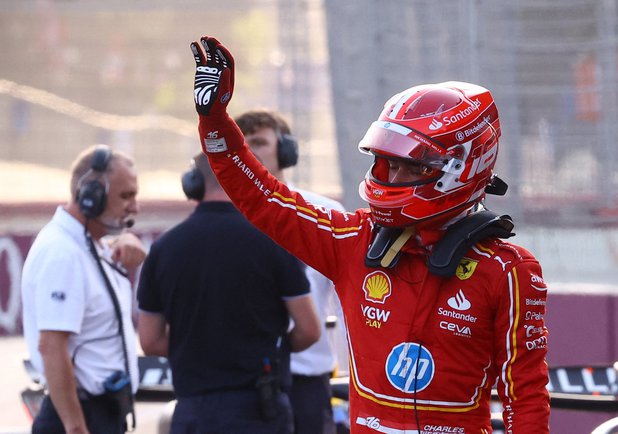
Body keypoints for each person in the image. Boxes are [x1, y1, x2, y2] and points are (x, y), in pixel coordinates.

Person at [189, 36, 550, 433]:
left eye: (410, 167)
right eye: (385, 164)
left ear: (463, 166)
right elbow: (264, 199)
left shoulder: (510, 272)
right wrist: (215, 122)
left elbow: (526, 395)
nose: (393, 179)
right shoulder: (351, 241)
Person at [136, 152, 321, 434]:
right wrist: (269, 348)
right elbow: (309, 330)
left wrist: (197, 345)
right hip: (259, 409)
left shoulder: (164, 249)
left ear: (193, 184)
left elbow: (150, 341)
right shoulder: (273, 239)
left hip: (192, 410)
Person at [235, 109, 347, 434]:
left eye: (258, 142)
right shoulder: (223, 217)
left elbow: (345, 300)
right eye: (241, 144)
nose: (249, 151)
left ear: (287, 150)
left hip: (307, 379)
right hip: (242, 379)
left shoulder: (325, 213)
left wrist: (354, 375)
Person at [21, 144, 145, 434]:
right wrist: (76, 427)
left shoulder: (88, 246)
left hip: (102, 413)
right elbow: (52, 347)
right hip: (81, 417)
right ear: (91, 195)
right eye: (126, 196)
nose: (135, 207)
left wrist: (124, 241)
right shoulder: (63, 254)